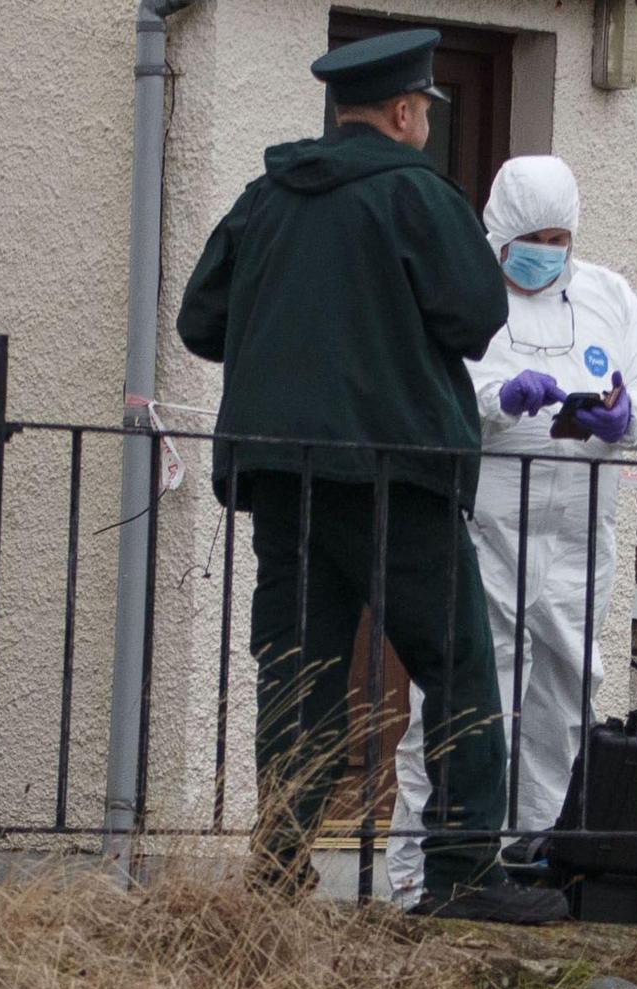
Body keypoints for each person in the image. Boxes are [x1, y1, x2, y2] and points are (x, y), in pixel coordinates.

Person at [176, 29, 566, 925]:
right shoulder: (417, 197)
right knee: (458, 662)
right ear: (401, 111)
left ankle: (278, 870)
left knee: (296, 671)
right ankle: (464, 873)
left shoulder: (265, 199)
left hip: (283, 477)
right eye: (424, 110)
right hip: (397, 476)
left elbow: (203, 323)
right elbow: (474, 316)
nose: (425, 122)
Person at [386, 155, 637, 906]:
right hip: (485, 522)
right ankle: (424, 874)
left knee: (564, 696)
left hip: (579, 532)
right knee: (462, 698)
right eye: (533, 237)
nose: (546, 251)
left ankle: (537, 857)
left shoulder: (606, 296)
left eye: (559, 237)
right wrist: (502, 399)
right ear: (501, 233)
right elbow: (436, 383)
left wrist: (625, 419)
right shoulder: (469, 295)